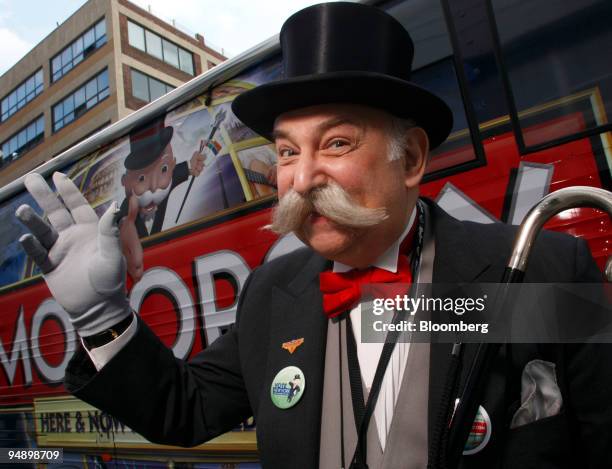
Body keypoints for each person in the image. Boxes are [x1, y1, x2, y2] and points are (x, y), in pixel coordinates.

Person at [14, 2, 611, 468]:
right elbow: (184, 410)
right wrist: (101, 318)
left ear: (411, 159)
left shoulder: (539, 270)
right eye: (285, 152)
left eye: (336, 143)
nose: (300, 178)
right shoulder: (272, 293)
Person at [117, 118, 205, 280]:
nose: (153, 187)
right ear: (126, 182)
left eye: (164, 169)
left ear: (171, 165)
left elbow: (177, 173)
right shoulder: (126, 211)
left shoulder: (164, 185)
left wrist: (191, 166)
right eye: (141, 179)